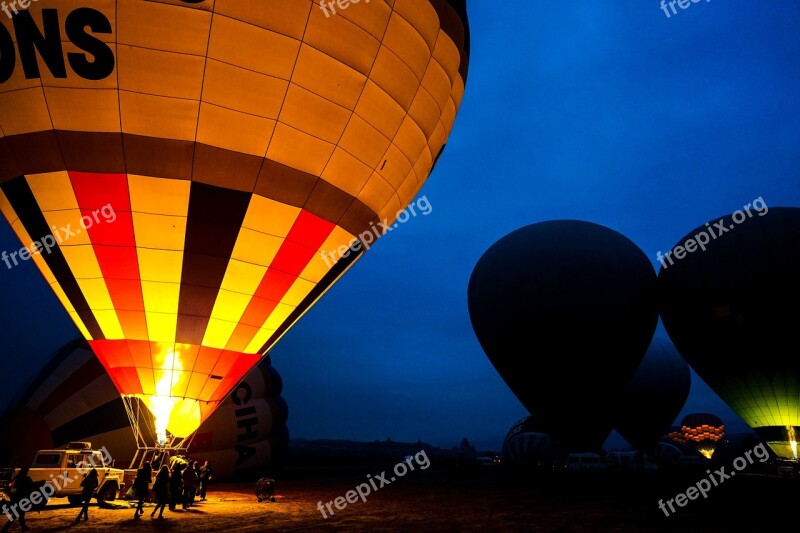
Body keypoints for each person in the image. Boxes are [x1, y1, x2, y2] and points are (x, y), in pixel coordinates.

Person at [1, 467, 33, 532]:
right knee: (17, 514)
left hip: (18, 498)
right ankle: (5, 529)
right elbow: (31, 485)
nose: (27, 472)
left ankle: (23, 527)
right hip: (22, 498)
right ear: (25, 471)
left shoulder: (18, 478)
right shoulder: (26, 479)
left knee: (20, 514)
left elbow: (15, 486)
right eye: (27, 471)